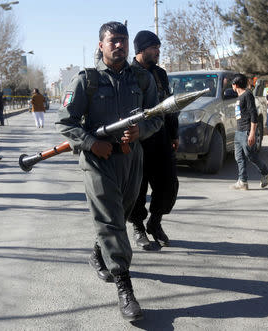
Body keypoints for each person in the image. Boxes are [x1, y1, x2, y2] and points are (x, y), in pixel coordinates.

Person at [56, 21, 162, 322]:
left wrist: (140, 130)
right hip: (97, 161)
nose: (119, 46)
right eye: (113, 41)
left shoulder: (142, 79)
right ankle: (125, 287)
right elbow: (65, 121)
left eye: (123, 41)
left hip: (131, 158)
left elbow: (157, 115)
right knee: (111, 220)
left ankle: (98, 250)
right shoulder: (86, 80)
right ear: (101, 45)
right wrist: (90, 143)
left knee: (123, 214)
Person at [128, 30, 179, 250]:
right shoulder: (128, 74)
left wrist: (174, 133)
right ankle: (138, 227)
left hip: (161, 138)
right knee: (138, 188)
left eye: (158, 47)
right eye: (153, 48)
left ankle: (155, 222)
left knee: (168, 185)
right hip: (138, 141)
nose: (158, 51)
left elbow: (170, 107)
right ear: (141, 49)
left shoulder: (160, 74)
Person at [230, 73, 268, 190]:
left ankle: (266, 173)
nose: (231, 86)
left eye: (232, 83)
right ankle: (242, 181)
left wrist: (252, 133)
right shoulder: (240, 96)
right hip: (239, 131)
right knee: (239, 157)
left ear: (236, 84)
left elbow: (253, 115)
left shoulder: (247, 95)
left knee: (250, 155)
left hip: (246, 131)